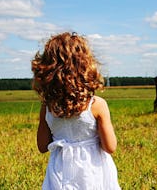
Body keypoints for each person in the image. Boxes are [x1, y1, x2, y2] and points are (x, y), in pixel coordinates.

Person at [32, 32, 121, 189]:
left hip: (60, 170)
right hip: (93, 171)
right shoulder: (96, 104)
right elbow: (110, 147)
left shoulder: (47, 107)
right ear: (86, 66)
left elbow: (42, 145)